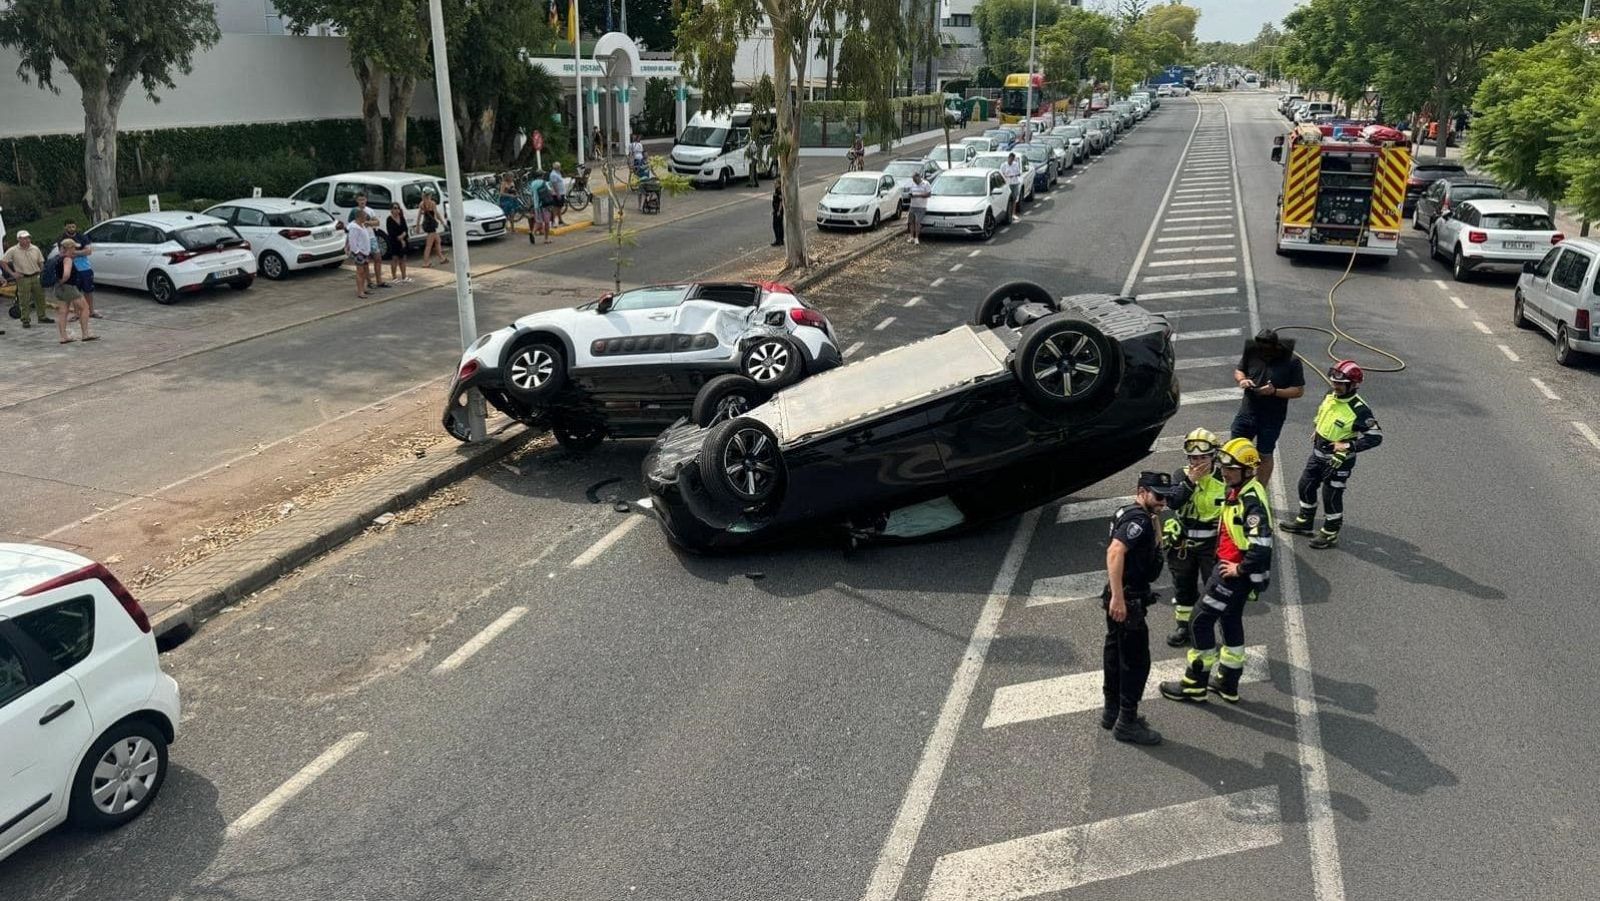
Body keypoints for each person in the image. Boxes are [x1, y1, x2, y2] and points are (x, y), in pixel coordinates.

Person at [1160, 438, 1273, 705]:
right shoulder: (1240, 490)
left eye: (1231, 469)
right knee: (1230, 621)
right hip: (1230, 570)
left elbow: (1261, 546)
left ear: (1248, 470)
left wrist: (1240, 568)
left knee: (1199, 622)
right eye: (1223, 467)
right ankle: (1228, 682)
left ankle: (1194, 685)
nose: (1224, 472)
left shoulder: (1251, 501)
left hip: (1230, 574)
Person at [1101, 470, 1180, 746]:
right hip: (1128, 600)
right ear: (1142, 491)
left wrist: (1156, 518)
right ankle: (1126, 722)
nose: (1163, 502)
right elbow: (1114, 552)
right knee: (1137, 662)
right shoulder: (1138, 521)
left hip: (1122, 596)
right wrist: (1119, 598)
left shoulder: (1132, 513)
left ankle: (1111, 712)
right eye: (1158, 496)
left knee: (1115, 653)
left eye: (1167, 498)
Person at [1281, 360, 1383, 549]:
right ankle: (1304, 521)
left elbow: (1375, 437)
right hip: (1318, 454)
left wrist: (1347, 446)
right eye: (1333, 382)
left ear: (1353, 385)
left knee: (1331, 494)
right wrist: (1318, 429)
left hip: (1339, 461)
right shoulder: (1331, 395)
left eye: (1339, 384)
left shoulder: (1360, 410)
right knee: (1305, 485)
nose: (1334, 386)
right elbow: (1324, 413)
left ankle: (1330, 533)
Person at [1164, 428, 1226, 648]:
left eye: (1203, 457)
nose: (1197, 461)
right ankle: (1184, 627)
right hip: (1183, 544)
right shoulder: (1181, 476)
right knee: (1183, 587)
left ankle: (1214, 629)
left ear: (1213, 456)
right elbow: (1173, 502)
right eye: (1193, 457)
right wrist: (1191, 481)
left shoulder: (1224, 477)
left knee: (1215, 588)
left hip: (1212, 545)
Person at [1230, 328, 1305, 486]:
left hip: (1272, 418)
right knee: (1235, 451)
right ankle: (1236, 488)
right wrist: (1242, 380)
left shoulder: (1292, 361)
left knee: (1264, 454)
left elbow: (1298, 391)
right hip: (1247, 412)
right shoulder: (1252, 352)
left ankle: (1259, 490)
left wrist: (1274, 391)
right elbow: (1239, 370)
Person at [1, 230, 52, 328]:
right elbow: (3, 262)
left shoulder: (35, 248)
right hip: (23, 277)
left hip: (36, 275)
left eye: (28, 238)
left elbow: (41, 261)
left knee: (40, 297)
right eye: (24, 238)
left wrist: (42, 271)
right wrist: (13, 273)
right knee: (24, 299)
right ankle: (25, 319)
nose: (27, 240)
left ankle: (42, 316)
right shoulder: (13, 250)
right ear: (19, 239)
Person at [52, 240, 94, 343]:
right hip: (69, 287)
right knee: (85, 308)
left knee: (63, 312)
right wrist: (63, 282)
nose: (75, 250)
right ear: (69, 248)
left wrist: (59, 283)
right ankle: (85, 334)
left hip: (59, 288)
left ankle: (63, 337)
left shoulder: (58, 258)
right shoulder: (67, 259)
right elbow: (66, 274)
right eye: (74, 248)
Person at [56, 221, 100, 320]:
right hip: (71, 269)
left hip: (85, 268)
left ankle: (91, 311)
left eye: (73, 226)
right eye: (69, 227)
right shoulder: (61, 239)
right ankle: (77, 314)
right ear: (65, 227)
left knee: (88, 290)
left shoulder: (82, 237)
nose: (71, 229)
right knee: (75, 292)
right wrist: (80, 252)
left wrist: (73, 252)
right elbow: (61, 253)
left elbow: (88, 251)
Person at [346, 212, 372, 298]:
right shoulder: (354, 228)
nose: (366, 218)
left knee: (364, 271)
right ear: (359, 217)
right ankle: (360, 291)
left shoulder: (362, 225)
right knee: (360, 272)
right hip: (359, 253)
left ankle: (363, 288)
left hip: (365, 252)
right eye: (364, 216)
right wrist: (357, 252)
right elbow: (352, 241)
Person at [418, 191, 448, 267]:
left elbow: (419, 216)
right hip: (431, 225)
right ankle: (425, 262)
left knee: (438, 240)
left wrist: (418, 226)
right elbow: (436, 214)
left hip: (427, 224)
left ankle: (441, 258)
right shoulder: (432, 203)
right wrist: (442, 221)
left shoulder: (422, 204)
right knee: (429, 245)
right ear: (429, 195)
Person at [383, 204, 411, 284]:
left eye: (398, 208)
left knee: (403, 258)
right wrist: (399, 238)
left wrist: (403, 236)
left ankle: (404, 276)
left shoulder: (401, 218)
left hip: (403, 240)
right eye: (394, 208)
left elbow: (405, 228)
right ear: (391, 210)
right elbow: (391, 232)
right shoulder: (389, 219)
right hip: (394, 241)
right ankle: (394, 277)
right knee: (395, 258)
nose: (396, 210)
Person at [906, 171, 932, 245]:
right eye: (913, 180)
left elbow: (929, 194)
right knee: (911, 222)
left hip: (921, 206)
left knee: (917, 222)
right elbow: (910, 192)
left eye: (915, 179)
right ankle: (911, 237)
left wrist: (917, 195)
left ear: (918, 177)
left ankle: (916, 237)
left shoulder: (926, 184)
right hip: (912, 205)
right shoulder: (912, 184)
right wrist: (910, 195)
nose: (914, 181)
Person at [1000, 152, 1024, 219]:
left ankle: (1013, 213)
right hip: (1008, 184)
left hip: (1015, 183)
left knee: (1014, 198)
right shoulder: (1003, 165)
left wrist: (1014, 175)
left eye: (1012, 159)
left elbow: (1018, 173)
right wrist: (1007, 176)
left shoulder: (1015, 164)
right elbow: (1002, 175)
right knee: (1008, 199)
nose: (1011, 161)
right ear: (1008, 158)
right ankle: (1008, 213)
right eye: (1010, 159)